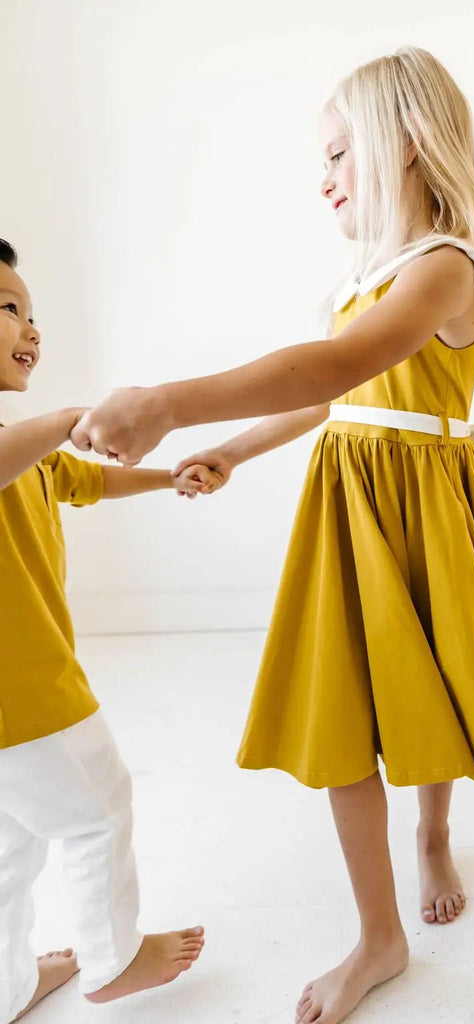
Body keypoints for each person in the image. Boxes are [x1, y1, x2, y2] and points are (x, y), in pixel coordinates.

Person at [72, 47, 474, 1024]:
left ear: (403, 141)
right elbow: (329, 396)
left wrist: (168, 404)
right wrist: (232, 451)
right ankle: (378, 933)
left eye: (335, 155)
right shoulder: (359, 282)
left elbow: (332, 366)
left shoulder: (446, 270)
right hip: (348, 507)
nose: (320, 179)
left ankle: (435, 831)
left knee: (429, 681)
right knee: (347, 709)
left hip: (424, 510)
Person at [0, 239, 211, 1023]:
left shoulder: (28, 448)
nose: (30, 326)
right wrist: (62, 420)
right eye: (7, 308)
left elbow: (86, 476)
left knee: (11, 846)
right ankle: (112, 958)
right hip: (26, 697)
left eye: (31, 311)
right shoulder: (21, 441)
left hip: (14, 705)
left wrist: (169, 474)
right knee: (97, 810)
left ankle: (5, 984)